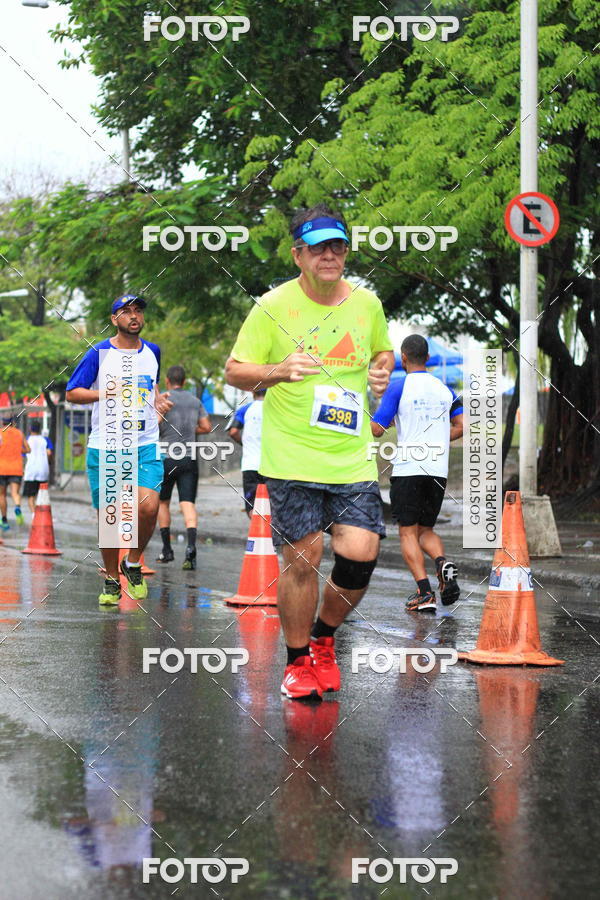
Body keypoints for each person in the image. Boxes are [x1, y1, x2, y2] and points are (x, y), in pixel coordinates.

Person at [225, 203, 394, 701]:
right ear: (298, 254)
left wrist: (382, 368)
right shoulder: (272, 306)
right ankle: (298, 662)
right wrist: (278, 369)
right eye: (318, 246)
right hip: (291, 456)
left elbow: (381, 349)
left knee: (361, 555)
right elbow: (235, 370)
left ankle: (324, 637)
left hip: (350, 456)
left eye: (338, 245)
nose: (329, 254)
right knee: (304, 559)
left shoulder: (366, 304)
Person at [66, 294, 172, 605]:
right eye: (125, 311)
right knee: (111, 519)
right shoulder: (98, 353)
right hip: (107, 445)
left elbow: (150, 386)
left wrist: (158, 401)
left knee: (149, 507)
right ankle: (112, 578)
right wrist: (105, 393)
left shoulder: (152, 351)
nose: (133, 315)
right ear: (114, 320)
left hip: (145, 443)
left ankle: (134, 561)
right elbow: (73, 393)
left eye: (138, 310)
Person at [371, 334, 464, 613]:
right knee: (426, 530)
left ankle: (424, 593)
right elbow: (460, 426)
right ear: (428, 358)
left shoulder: (399, 387)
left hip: (409, 469)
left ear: (403, 358)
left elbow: (377, 428)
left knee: (408, 532)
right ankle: (441, 563)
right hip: (437, 470)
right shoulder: (445, 389)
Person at [157, 365, 211, 570]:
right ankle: (190, 549)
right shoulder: (195, 401)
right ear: (185, 381)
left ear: (167, 381)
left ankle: (167, 549)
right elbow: (206, 427)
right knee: (187, 504)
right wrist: (190, 429)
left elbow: (154, 425)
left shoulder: (162, 399)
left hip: (166, 458)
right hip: (189, 458)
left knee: (163, 503)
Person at [228, 389, 266, 516]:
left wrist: (245, 444)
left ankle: (257, 532)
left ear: (253, 393)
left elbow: (233, 431)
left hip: (250, 464)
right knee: (271, 504)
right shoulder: (275, 409)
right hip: (270, 466)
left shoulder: (245, 409)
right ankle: (270, 534)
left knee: (252, 504)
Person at [0, 416, 29, 529]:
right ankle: (17, 507)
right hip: (16, 469)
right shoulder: (19, 434)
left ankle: (4, 520)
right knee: (15, 493)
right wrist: (19, 449)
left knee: (2, 495)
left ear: (3, 423)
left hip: (1, 468)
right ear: (12, 423)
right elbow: (28, 449)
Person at [22, 420, 52, 513]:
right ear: (40, 429)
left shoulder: (27, 439)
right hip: (43, 470)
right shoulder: (45, 440)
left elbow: (23, 456)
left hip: (30, 471)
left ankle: (34, 516)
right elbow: (49, 453)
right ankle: (42, 515)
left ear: (30, 428)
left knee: (31, 497)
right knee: (42, 495)